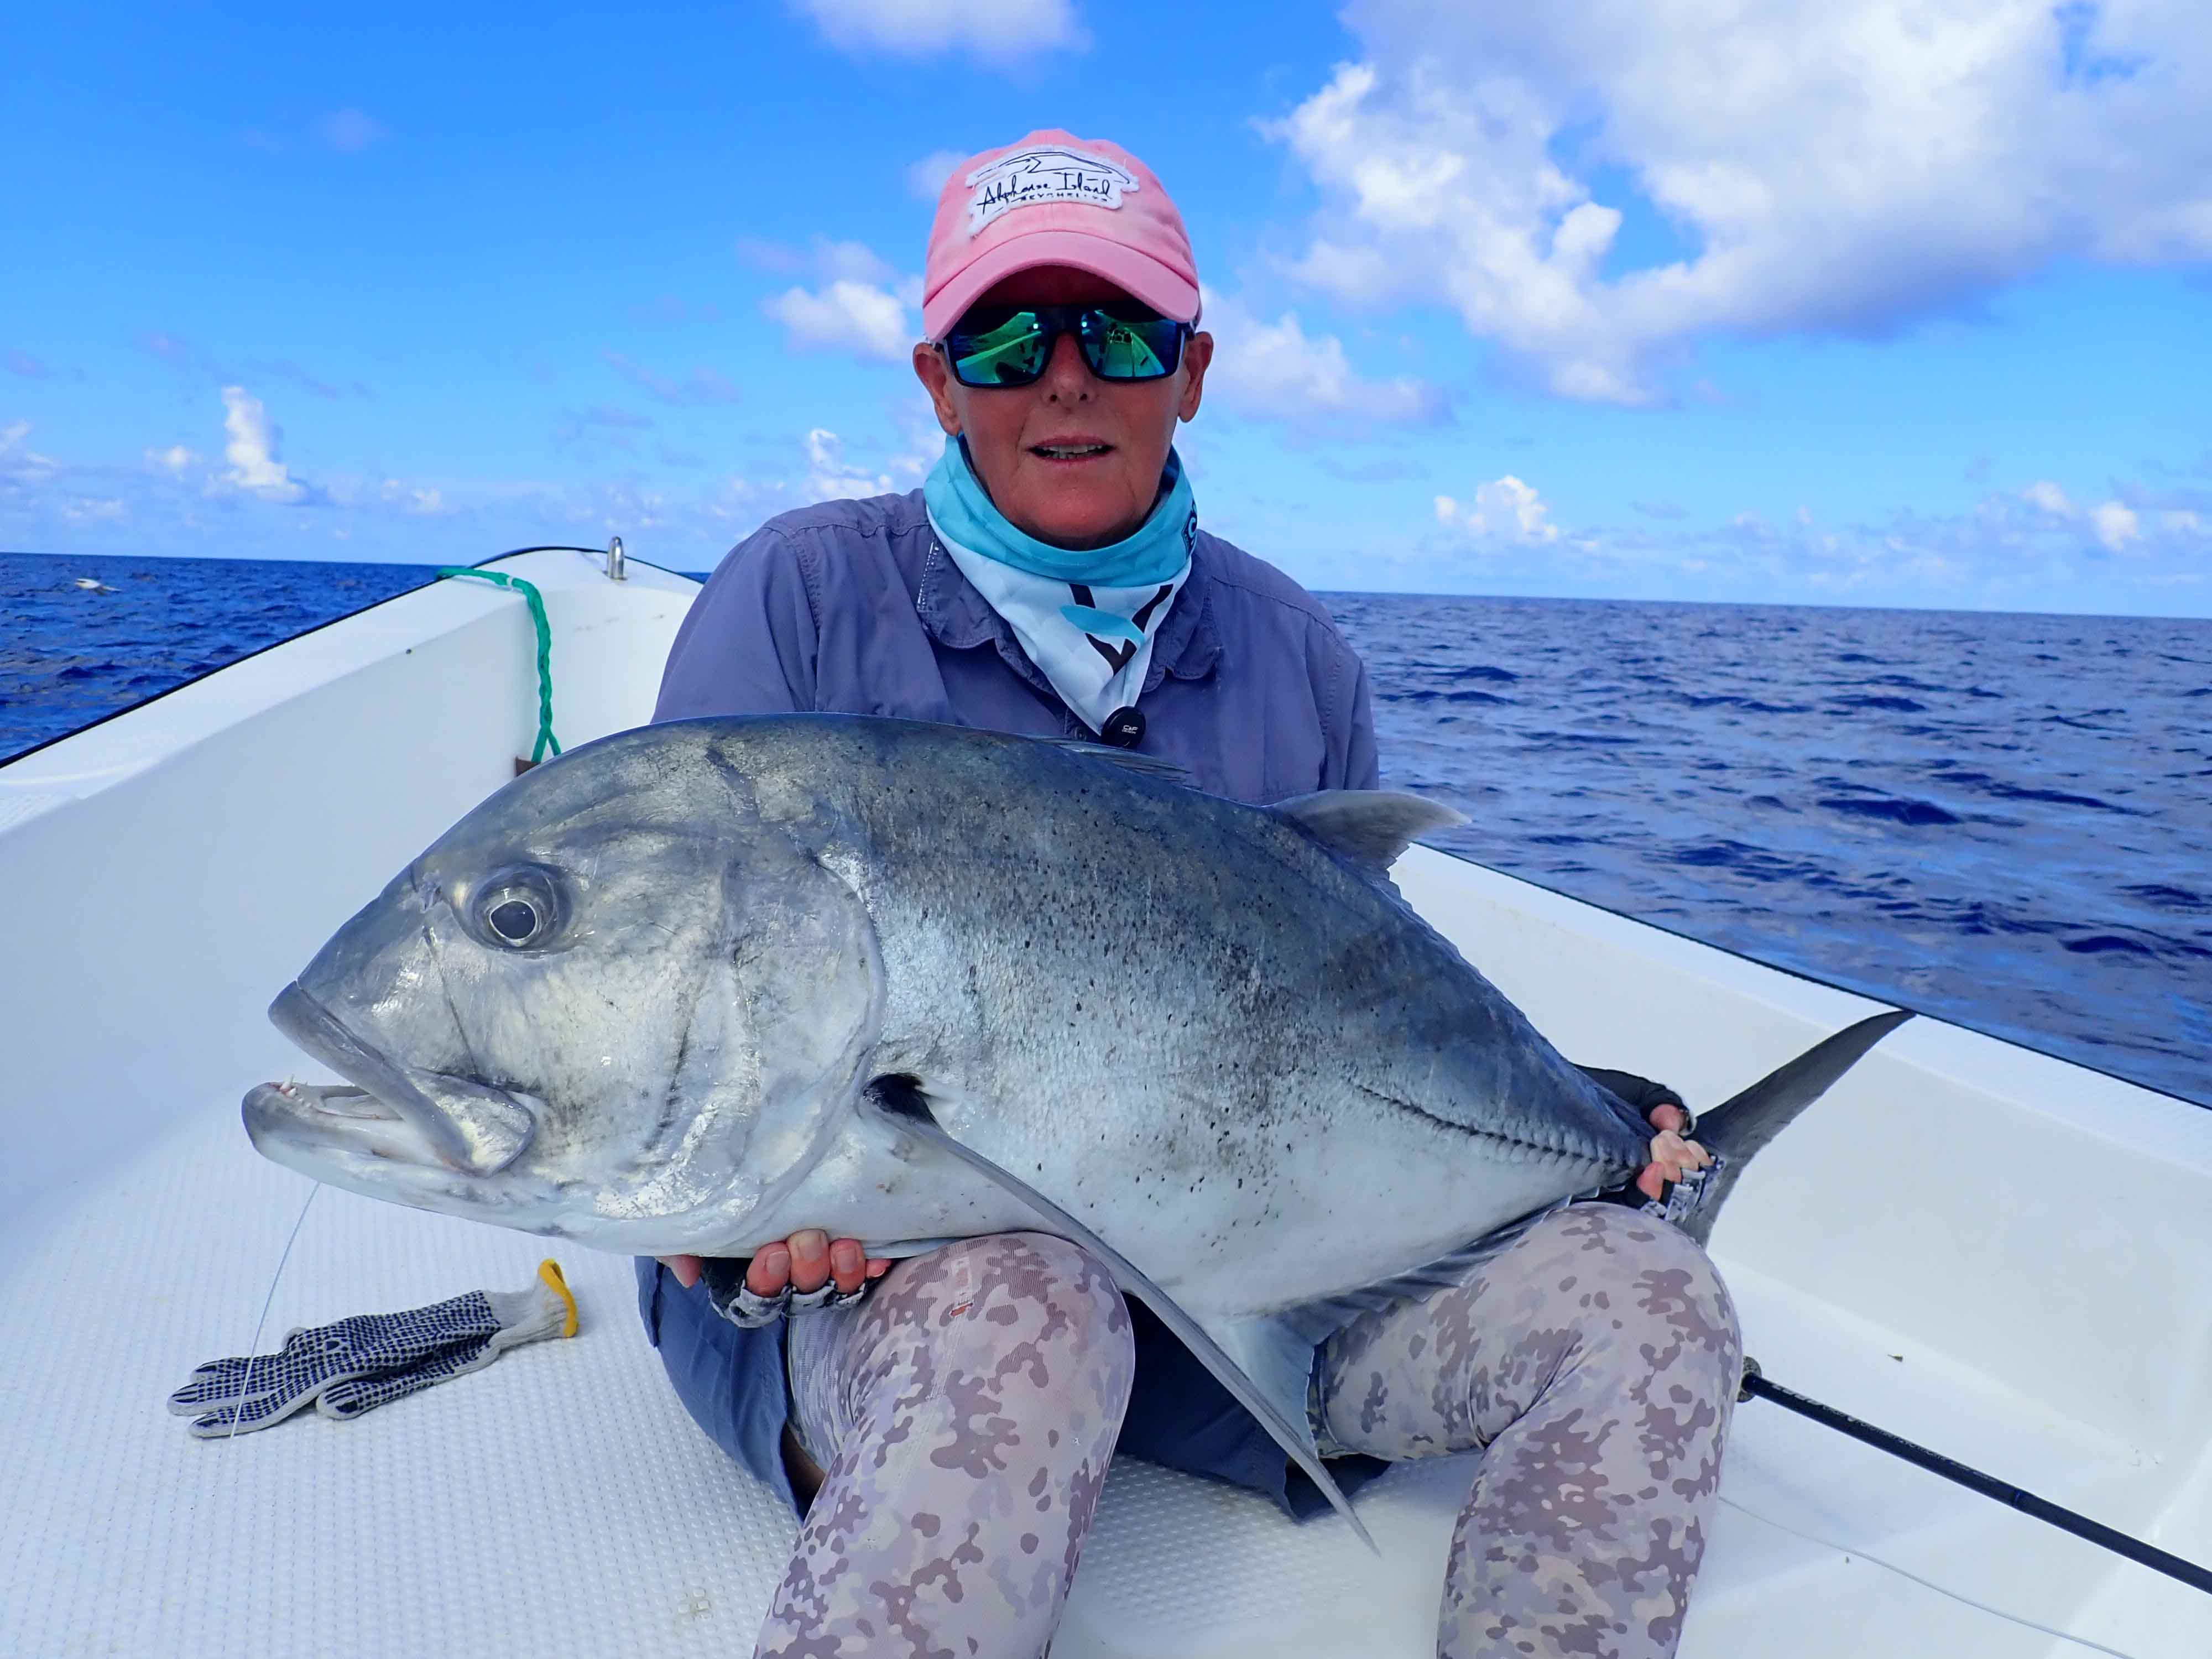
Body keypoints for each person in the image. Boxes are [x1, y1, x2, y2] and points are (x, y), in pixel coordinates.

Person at [634, 131, 1735, 1659]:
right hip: (888, 1288)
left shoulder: (1294, 656)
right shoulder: (806, 603)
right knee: (1028, 1308)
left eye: (1122, 332)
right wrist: (745, 1228)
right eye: (1008, 338)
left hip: (1241, 1288)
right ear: (938, 380)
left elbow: (1372, 999)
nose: (1065, 377)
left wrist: (1595, 1115)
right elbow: (689, 996)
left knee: (1651, 1297)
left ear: (1194, 370)